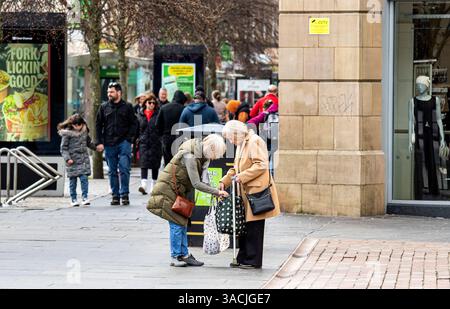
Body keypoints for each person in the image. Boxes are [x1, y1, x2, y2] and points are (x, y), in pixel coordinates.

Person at [147, 134, 230, 267]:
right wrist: (216, 191)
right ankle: (176, 256)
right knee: (176, 224)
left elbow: (201, 180)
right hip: (169, 191)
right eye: (216, 153)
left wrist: (214, 191)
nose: (216, 157)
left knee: (182, 223)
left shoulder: (200, 155)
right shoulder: (190, 157)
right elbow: (196, 183)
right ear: (211, 148)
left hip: (179, 192)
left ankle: (184, 255)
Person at [220, 120, 281, 269]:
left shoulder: (254, 141)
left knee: (254, 228)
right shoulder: (241, 144)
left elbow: (261, 164)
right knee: (245, 227)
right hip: (246, 192)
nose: (230, 141)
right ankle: (244, 257)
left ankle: (253, 260)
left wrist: (243, 176)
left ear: (237, 133)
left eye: (230, 137)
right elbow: (236, 168)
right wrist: (224, 181)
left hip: (256, 192)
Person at [96, 82, 138, 206]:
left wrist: (130, 139)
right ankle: (115, 195)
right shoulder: (103, 107)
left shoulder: (128, 107)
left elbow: (134, 123)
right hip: (109, 143)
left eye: (112, 92)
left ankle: (124, 194)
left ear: (119, 92)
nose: (109, 94)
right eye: (108, 92)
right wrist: (99, 142)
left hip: (124, 142)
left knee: (124, 168)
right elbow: (98, 125)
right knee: (112, 171)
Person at [58, 114, 98, 207]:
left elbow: (88, 142)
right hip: (72, 160)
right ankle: (73, 199)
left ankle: (85, 197)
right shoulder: (67, 134)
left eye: (79, 125)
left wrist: (96, 148)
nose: (77, 127)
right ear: (72, 124)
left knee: (84, 179)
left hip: (83, 159)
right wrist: (67, 159)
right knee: (73, 181)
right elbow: (63, 148)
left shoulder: (85, 131)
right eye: (75, 125)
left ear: (82, 124)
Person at [137, 93, 162, 195]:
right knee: (144, 163)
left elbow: (161, 127)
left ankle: (154, 185)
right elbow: (137, 129)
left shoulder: (158, 114)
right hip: (144, 142)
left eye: (153, 103)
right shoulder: (140, 115)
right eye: (149, 102)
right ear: (145, 103)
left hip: (155, 143)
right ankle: (143, 185)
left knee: (155, 164)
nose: (151, 104)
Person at [156, 90, 187, 167]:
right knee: (179, 163)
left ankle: (168, 178)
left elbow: (157, 124)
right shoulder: (184, 109)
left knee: (168, 163)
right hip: (180, 138)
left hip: (167, 138)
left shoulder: (164, 108)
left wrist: (161, 137)